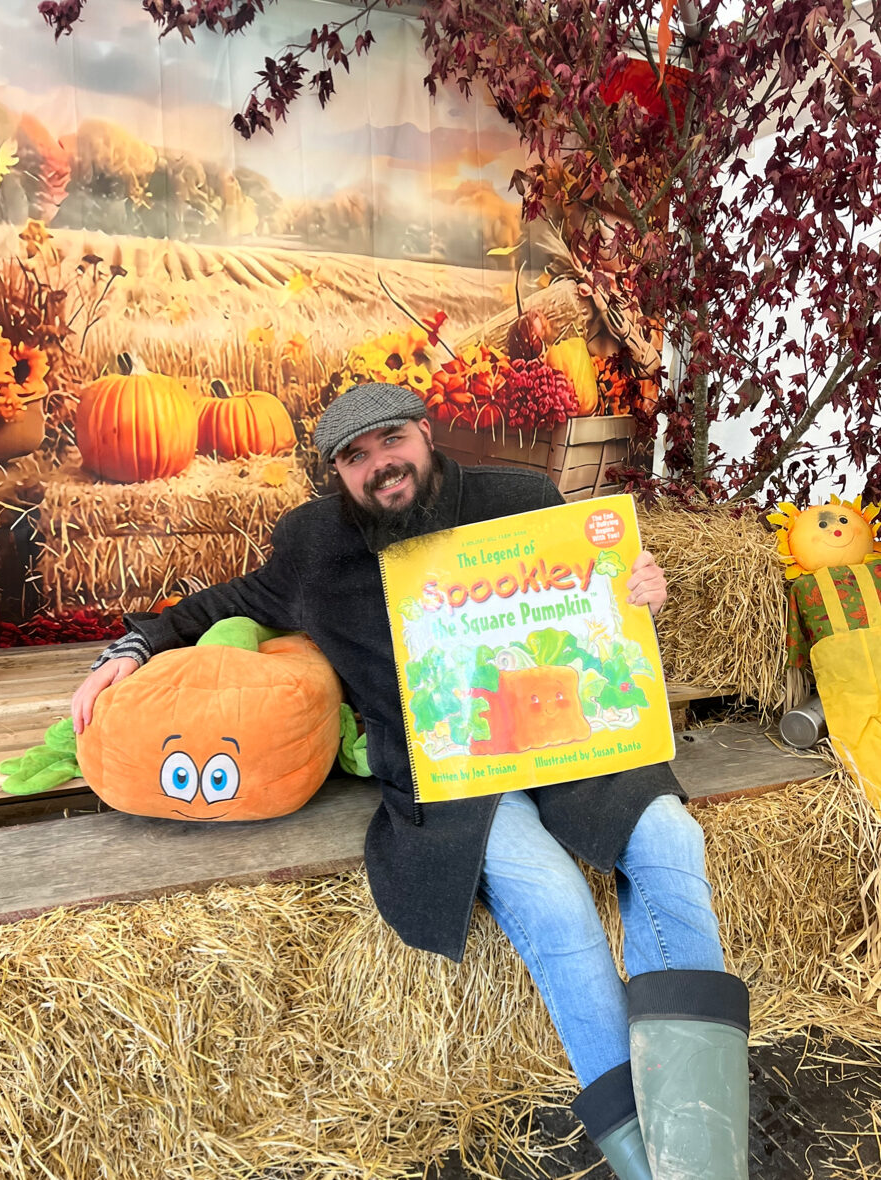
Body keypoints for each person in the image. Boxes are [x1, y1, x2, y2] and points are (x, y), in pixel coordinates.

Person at [71, 383, 748, 1180]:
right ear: (337, 475)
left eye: (389, 440)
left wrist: (639, 596)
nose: (377, 466)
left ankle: (702, 1152)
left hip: (565, 735)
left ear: (426, 434)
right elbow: (219, 605)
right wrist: (126, 650)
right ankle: (651, 1162)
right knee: (554, 896)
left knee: (669, 833)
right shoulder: (315, 546)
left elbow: (596, 602)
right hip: (450, 771)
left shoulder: (520, 499)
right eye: (352, 457)